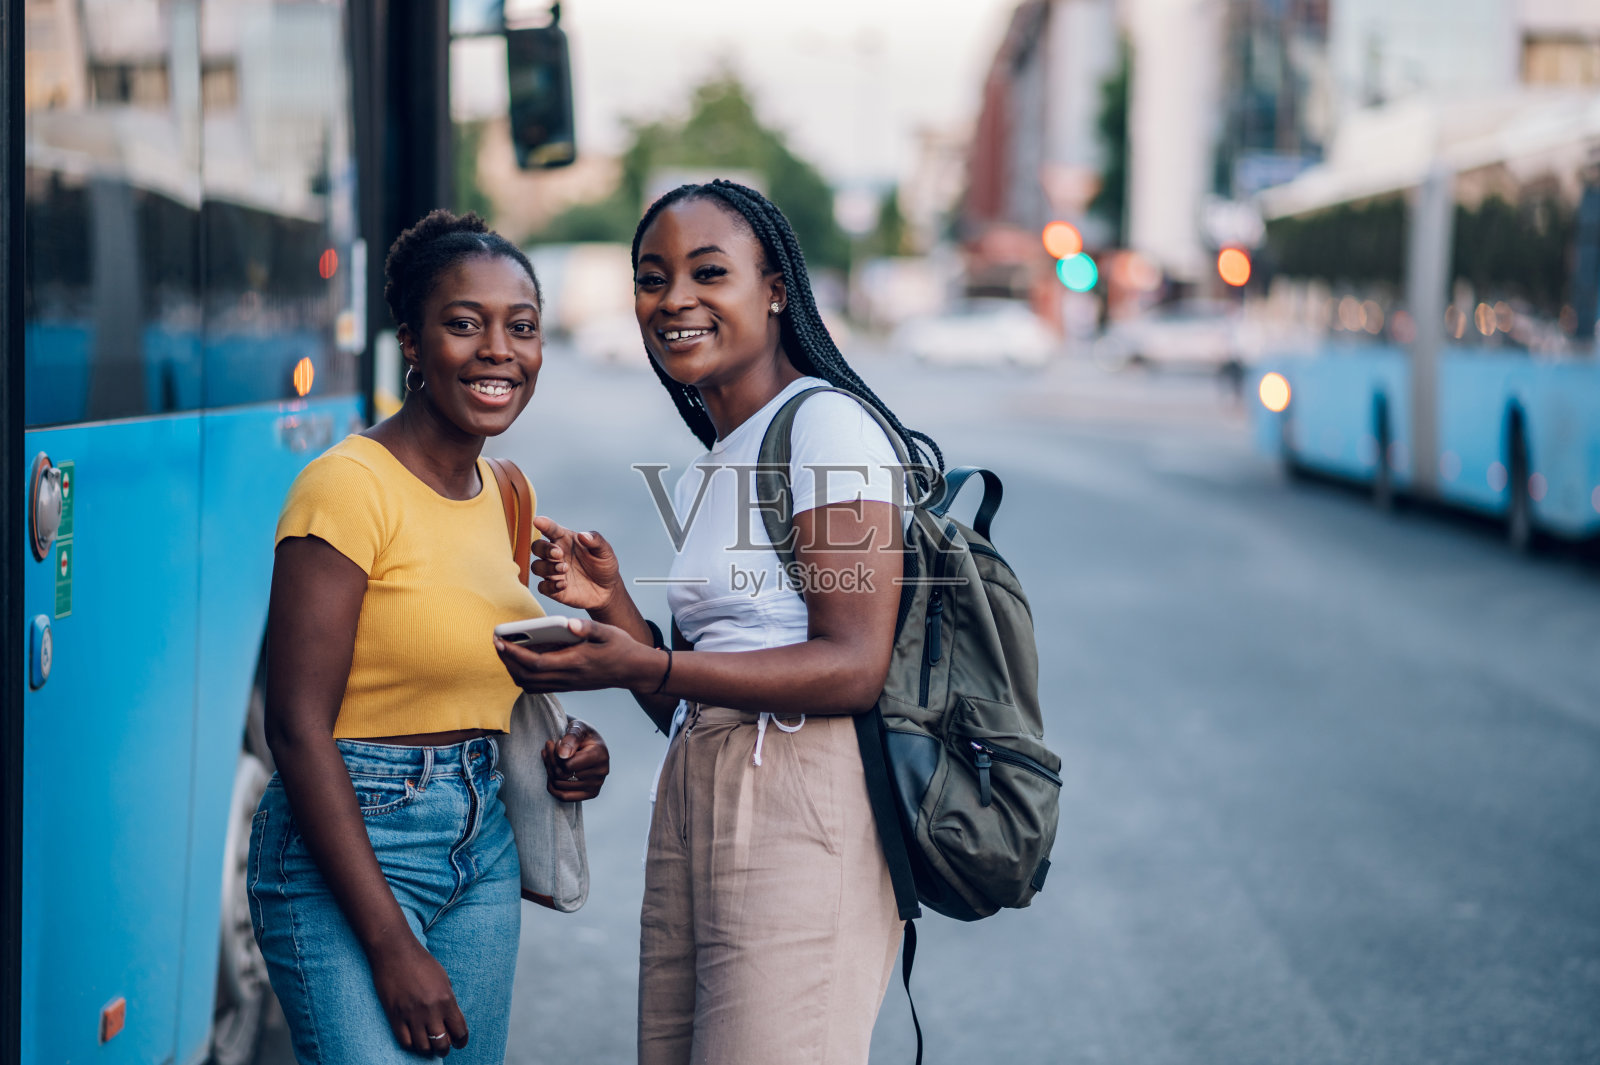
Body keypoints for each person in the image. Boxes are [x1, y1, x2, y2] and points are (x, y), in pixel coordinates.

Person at [494, 179, 942, 1065]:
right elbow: (699, 702)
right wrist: (612, 604)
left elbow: (853, 664)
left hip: (802, 803)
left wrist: (648, 667)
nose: (674, 301)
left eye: (708, 272)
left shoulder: (829, 430)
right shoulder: (726, 453)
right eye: (652, 278)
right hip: (703, 793)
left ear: (774, 287)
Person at [251, 209, 610, 1064]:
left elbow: (476, 670)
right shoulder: (345, 487)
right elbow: (295, 726)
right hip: (346, 845)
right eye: (463, 324)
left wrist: (574, 749)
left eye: (521, 328)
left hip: (481, 844)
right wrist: (389, 945)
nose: (499, 350)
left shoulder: (506, 493)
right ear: (411, 341)